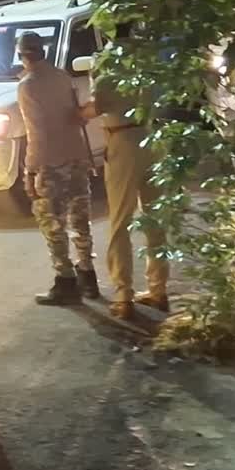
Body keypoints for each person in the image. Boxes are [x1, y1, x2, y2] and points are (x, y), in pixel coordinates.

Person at [80, 45, 168, 320]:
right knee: (155, 217)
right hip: (152, 137)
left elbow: (99, 106)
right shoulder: (149, 54)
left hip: (123, 141)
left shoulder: (109, 59)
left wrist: (78, 112)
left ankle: (123, 296)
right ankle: (158, 290)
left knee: (120, 220)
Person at [15, 32, 99, 304]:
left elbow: (36, 132)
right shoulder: (62, 77)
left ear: (22, 56)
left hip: (51, 163)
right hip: (76, 156)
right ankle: (88, 275)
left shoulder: (28, 85)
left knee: (53, 224)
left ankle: (65, 281)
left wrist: (29, 171)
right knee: (80, 220)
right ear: (43, 51)